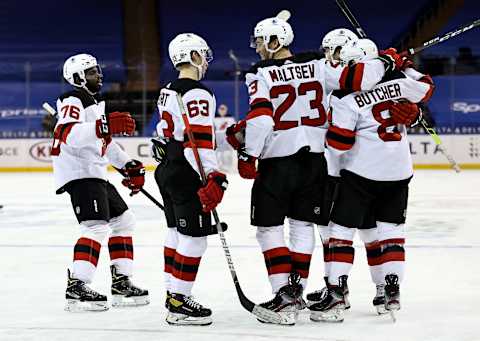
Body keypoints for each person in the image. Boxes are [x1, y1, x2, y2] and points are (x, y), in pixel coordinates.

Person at [225, 16, 393, 325]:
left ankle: (285, 297)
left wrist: (249, 153)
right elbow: (357, 82)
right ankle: (297, 289)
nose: (259, 47)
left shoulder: (258, 73)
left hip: (278, 161)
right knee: (302, 226)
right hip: (316, 161)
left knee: (269, 229)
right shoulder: (318, 64)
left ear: (275, 41)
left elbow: (262, 119)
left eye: (262, 41)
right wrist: (385, 61)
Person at [309, 39, 434, 322]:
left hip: (360, 173)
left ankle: (337, 293)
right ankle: (390, 291)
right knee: (391, 233)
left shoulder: (345, 96)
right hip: (399, 172)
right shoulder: (401, 82)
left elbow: (339, 144)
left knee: (340, 232)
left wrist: (330, 133)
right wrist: (405, 66)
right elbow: (426, 86)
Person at [52, 53, 149, 312]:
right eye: (93, 72)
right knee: (95, 226)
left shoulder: (94, 103)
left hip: (94, 172)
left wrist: (127, 164)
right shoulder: (73, 98)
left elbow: (103, 143)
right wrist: (101, 125)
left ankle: (121, 282)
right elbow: (68, 134)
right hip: (80, 172)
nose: (100, 75)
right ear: (78, 77)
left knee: (124, 221)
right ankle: (77, 287)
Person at [152, 33, 228, 326]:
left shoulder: (167, 90)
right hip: (186, 171)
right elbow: (199, 142)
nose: (205, 61)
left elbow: (164, 134)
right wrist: (214, 177)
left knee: (175, 233)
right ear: (194, 56)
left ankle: (173, 292)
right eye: (202, 55)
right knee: (194, 240)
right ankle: (179, 302)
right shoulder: (198, 93)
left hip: (166, 169)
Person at [214, 104, 236, 171]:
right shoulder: (215, 118)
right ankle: (218, 167)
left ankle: (229, 167)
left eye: (223, 109)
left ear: (226, 110)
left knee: (228, 153)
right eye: (221, 109)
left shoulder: (230, 119)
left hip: (226, 138)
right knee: (217, 153)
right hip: (218, 138)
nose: (222, 111)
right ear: (218, 110)